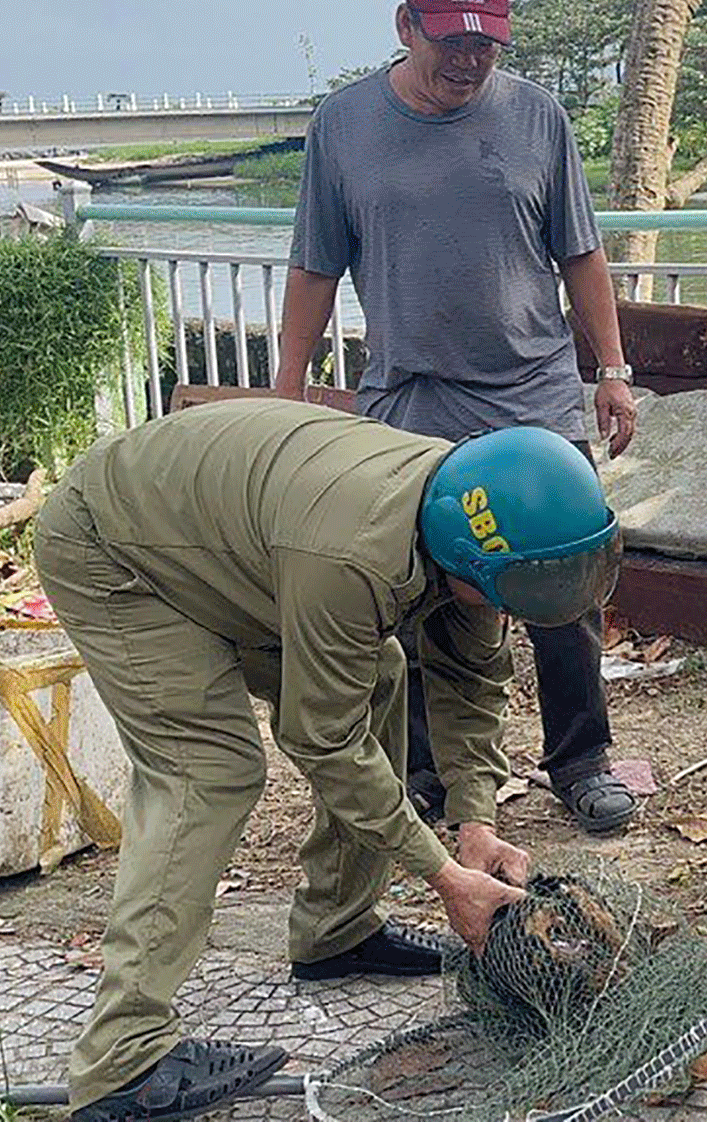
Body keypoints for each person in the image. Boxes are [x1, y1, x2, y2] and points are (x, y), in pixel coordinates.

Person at [36, 398, 625, 1122]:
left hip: (226, 540)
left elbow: (472, 684)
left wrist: (474, 823)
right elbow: (325, 738)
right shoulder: (353, 557)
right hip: (117, 551)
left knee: (375, 674)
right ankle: (122, 1061)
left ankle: (336, 932)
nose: (522, 607)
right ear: (466, 559)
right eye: (517, 592)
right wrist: (443, 876)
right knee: (208, 768)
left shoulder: (462, 524)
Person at [270, 0, 642, 837]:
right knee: (415, 595)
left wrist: (614, 370)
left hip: (533, 391)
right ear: (406, 27)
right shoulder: (344, 127)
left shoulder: (539, 119)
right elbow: (314, 268)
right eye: (451, 44)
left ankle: (581, 760)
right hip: (409, 398)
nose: (468, 63)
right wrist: (286, 390)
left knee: (564, 585)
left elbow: (580, 254)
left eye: (486, 47)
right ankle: (427, 772)